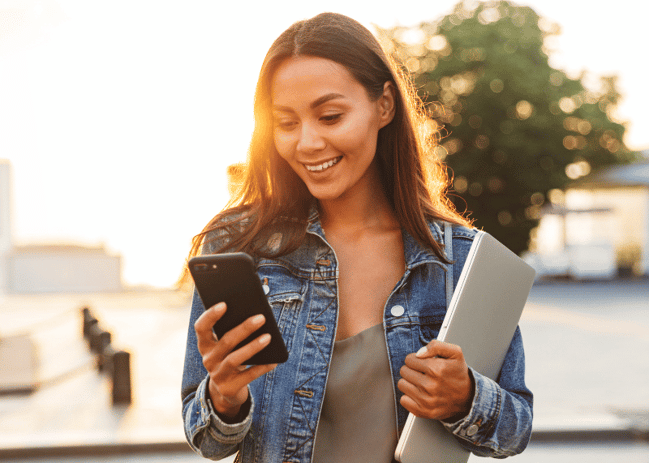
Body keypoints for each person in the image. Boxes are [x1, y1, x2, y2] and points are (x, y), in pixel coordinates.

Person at [181, 12, 532, 462]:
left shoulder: (457, 261)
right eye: (286, 123)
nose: (307, 142)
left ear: (384, 105)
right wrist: (225, 398)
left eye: (330, 116)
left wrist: (466, 398)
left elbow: (515, 428)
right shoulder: (239, 248)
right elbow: (207, 439)